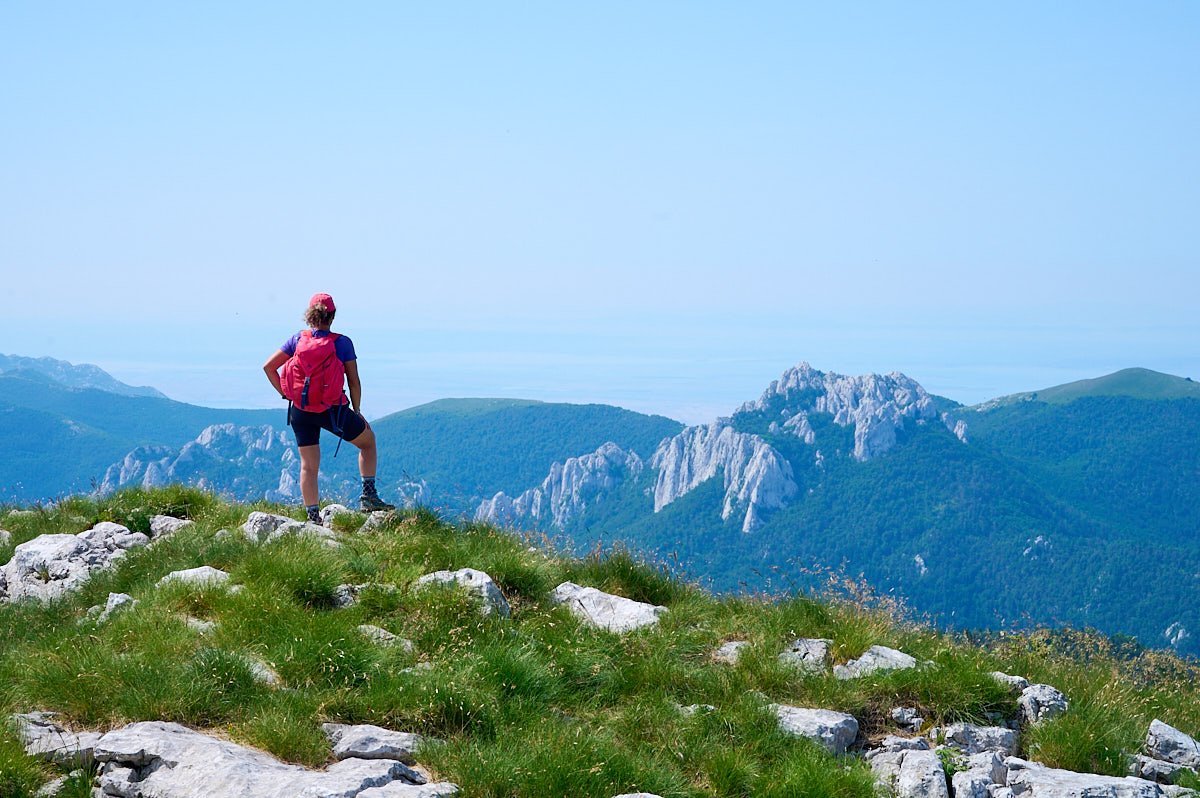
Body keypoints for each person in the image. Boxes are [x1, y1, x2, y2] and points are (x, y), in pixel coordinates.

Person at [263, 293, 395, 522]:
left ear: (310, 315)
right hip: (332, 411)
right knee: (368, 442)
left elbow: (268, 367)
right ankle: (369, 497)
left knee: (309, 466)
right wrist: (358, 410)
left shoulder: (296, 340)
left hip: (300, 410)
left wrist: (286, 394)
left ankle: (313, 516)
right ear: (332, 316)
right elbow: (353, 380)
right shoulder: (341, 343)